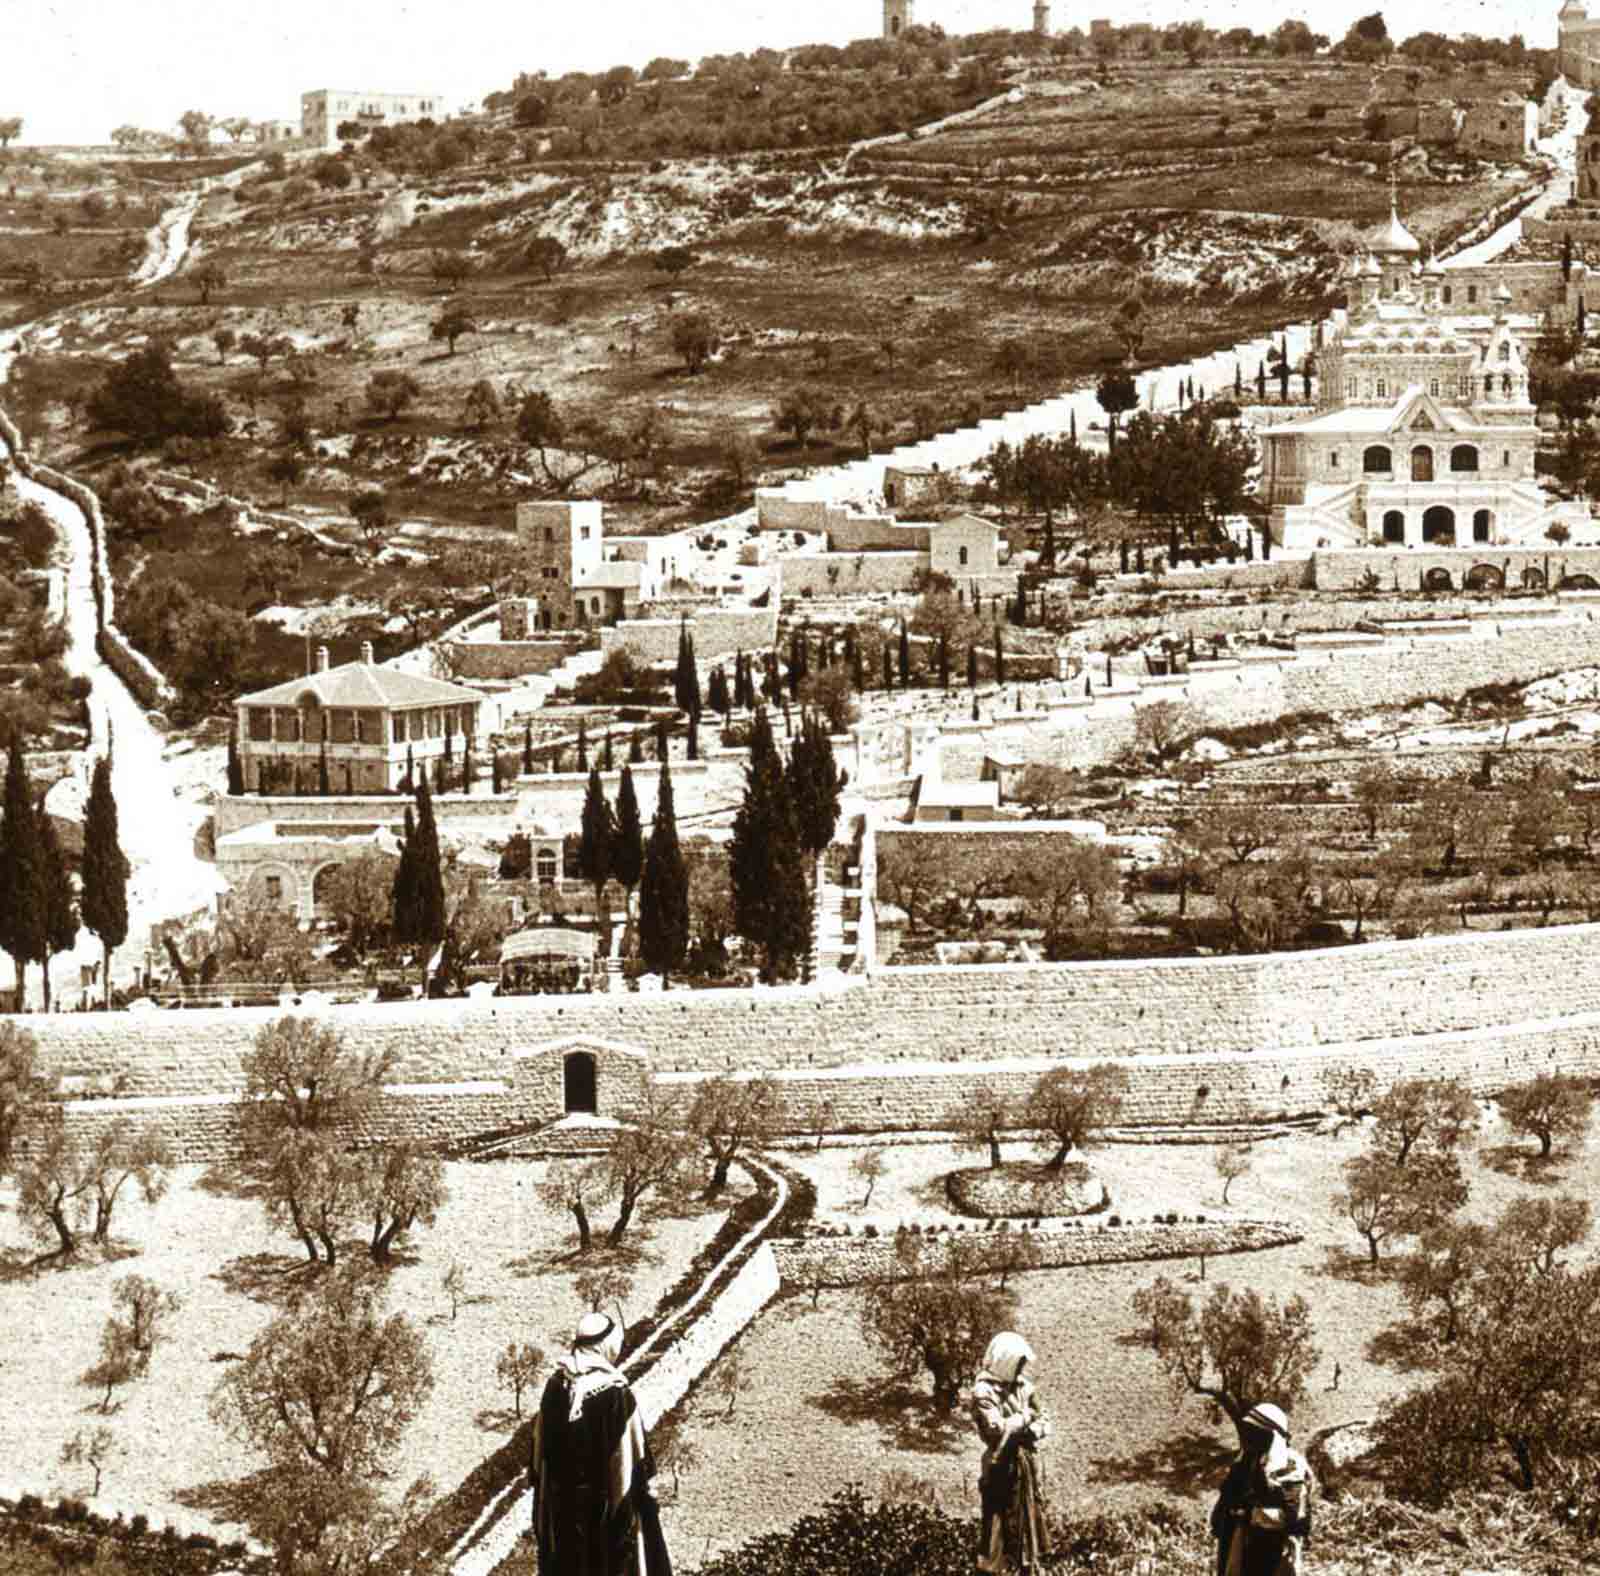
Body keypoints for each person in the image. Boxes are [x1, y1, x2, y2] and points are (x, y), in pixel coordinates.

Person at [529, 1311, 672, 1576]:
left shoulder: (556, 1385)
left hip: (562, 1515)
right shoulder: (616, 1395)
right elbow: (631, 1463)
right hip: (604, 1517)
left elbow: (540, 1458)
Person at [971, 1331, 1052, 1575]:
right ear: (1005, 1360)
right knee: (997, 1524)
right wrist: (1026, 1418)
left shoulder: (1025, 1387)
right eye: (1017, 1362)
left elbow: (1045, 1419)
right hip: (999, 1465)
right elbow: (996, 1428)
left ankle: (1027, 1567)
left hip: (1024, 1463)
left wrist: (1032, 1427)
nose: (1021, 1368)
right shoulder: (983, 1392)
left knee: (1028, 1520)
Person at [1210, 1402, 1313, 1576]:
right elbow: (1226, 1499)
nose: (1250, 1438)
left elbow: (1295, 1517)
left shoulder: (1292, 1467)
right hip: (1238, 1543)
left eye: (1257, 1433)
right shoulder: (1244, 1464)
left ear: (1272, 1435)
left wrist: (1254, 1512)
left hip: (1273, 1550)